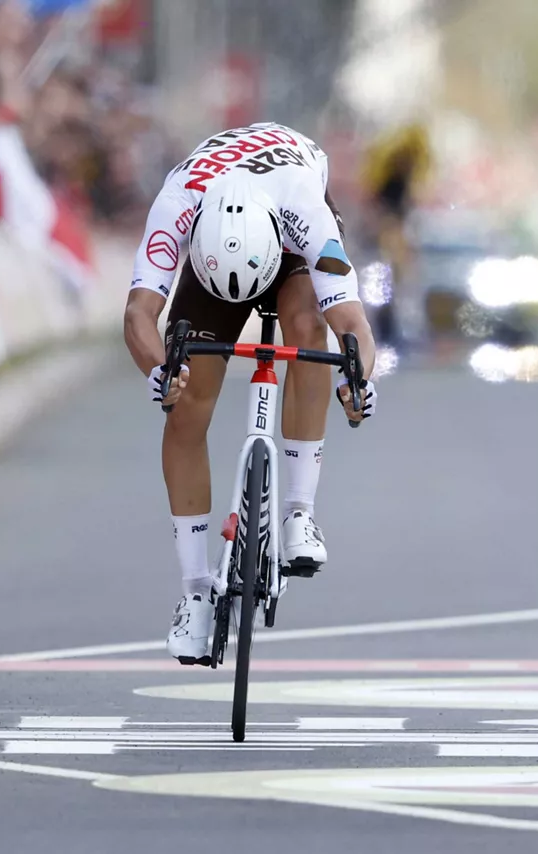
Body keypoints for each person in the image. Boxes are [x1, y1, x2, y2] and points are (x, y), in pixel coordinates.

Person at [123, 121, 378, 665]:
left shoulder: (305, 212)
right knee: (186, 400)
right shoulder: (177, 205)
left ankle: (297, 513)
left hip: (286, 248)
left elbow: (351, 319)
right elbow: (139, 312)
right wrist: (159, 371)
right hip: (215, 255)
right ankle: (193, 591)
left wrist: (359, 379)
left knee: (309, 327)